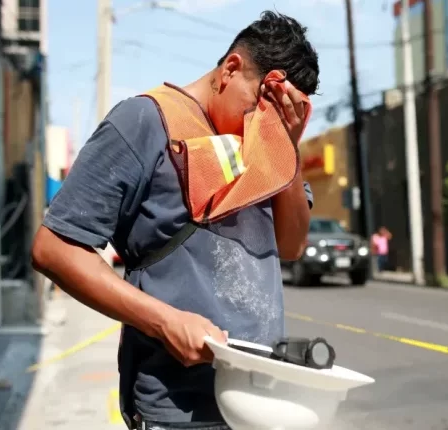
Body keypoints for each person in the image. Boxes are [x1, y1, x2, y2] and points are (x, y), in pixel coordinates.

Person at [31, 11, 319, 430]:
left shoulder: (276, 144)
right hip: (179, 409)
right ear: (231, 69)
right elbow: (53, 248)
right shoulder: (145, 121)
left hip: (264, 403)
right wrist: (165, 321)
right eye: (259, 108)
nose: (261, 129)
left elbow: (291, 246)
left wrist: (286, 147)